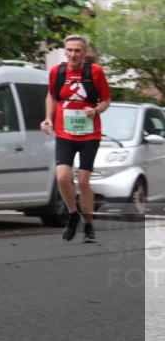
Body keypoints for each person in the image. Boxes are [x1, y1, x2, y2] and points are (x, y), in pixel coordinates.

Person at [41, 34, 110, 243]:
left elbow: (106, 100)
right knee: (62, 177)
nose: (72, 54)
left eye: (77, 50)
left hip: (89, 134)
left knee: (83, 181)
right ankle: (73, 214)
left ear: (84, 52)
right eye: (69, 50)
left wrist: (96, 110)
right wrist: (47, 118)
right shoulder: (57, 71)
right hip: (64, 132)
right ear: (65, 51)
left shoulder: (95, 72)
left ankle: (88, 224)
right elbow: (51, 96)